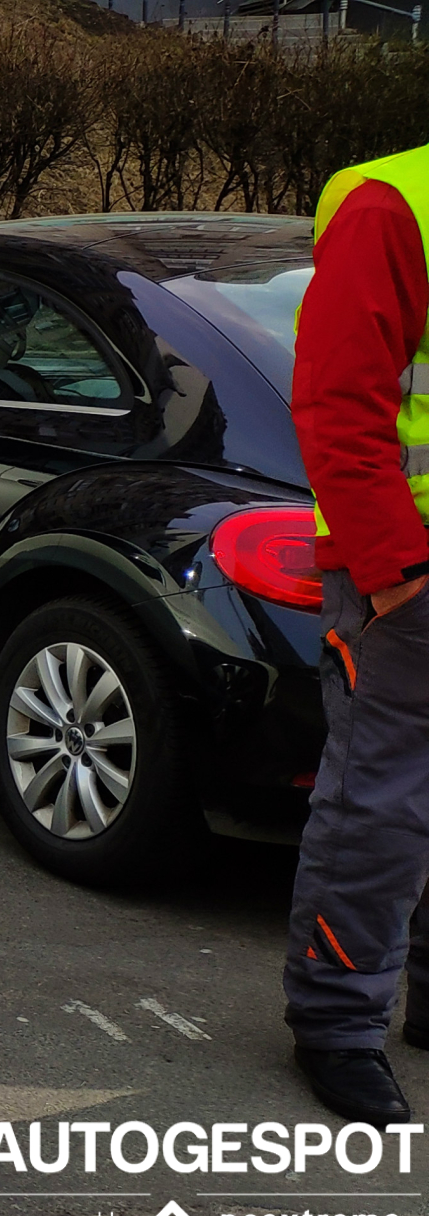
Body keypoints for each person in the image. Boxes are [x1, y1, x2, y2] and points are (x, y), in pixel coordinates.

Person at [284, 140, 429, 1127]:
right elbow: (337, 400)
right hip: (408, 569)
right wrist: (394, 574)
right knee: (379, 805)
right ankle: (336, 1025)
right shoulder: (394, 203)